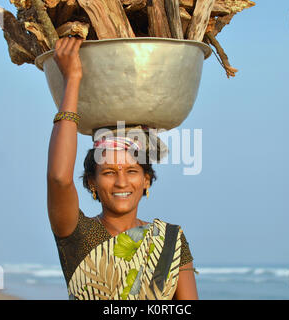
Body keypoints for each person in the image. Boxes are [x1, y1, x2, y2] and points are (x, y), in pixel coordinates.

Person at [47, 36, 198, 300]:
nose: (121, 182)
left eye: (131, 171)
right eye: (108, 172)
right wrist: (72, 79)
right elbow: (59, 179)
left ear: (147, 180)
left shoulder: (170, 241)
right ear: (91, 182)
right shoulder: (78, 234)